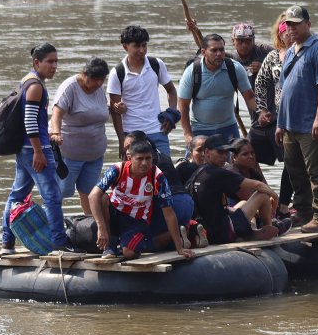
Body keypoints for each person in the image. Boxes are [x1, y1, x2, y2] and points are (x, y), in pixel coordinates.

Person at [1, 43, 75, 254]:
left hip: (24, 149)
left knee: (17, 195)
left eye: (56, 61)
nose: (54, 66)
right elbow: (30, 121)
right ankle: (59, 243)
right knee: (52, 197)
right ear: (37, 62)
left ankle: (7, 242)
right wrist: (39, 151)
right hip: (36, 148)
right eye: (50, 62)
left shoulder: (26, 81)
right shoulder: (35, 87)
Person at [276, 5, 318, 234]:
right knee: (295, 170)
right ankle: (303, 210)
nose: (291, 29)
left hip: (309, 122)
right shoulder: (291, 51)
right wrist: (280, 124)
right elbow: (284, 90)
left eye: (296, 24)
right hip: (290, 123)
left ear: (308, 25)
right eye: (289, 24)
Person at [89, 139, 193, 260]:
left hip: (136, 220)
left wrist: (179, 248)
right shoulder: (117, 170)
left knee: (129, 253)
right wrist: (101, 228)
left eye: (148, 158)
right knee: (102, 197)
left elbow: (169, 213)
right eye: (139, 159)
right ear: (129, 158)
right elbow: (93, 196)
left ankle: (132, 245)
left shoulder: (157, 176)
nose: (144, 163)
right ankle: (109, 247)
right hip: (115, 214)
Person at [188, 134, 284, 243]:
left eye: (226, 153)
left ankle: (252, 231)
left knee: (243, 203)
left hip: (207, 229)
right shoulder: (218, 173)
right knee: (262, 195)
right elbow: (258, 186)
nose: (224, 157)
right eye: (220, 152)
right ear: (207, 153)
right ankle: (269, 227)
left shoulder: (197, 172)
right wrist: (275, 197)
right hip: (223, 232)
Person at [49, 57, 110, 216]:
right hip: (69, 155)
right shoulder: (70, 87)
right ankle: (52, 228)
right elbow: (56, 114)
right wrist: (56, 133)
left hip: (95, 155)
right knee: (59, 192)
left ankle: (89, 226)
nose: (98, 83)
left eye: (102, 80)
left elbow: (98, 111)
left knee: (90, 193)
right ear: (84, 74)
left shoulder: (99, 89)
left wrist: (115, 107)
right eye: (95, 79)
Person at [109, 25, 178, 159]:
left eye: (144, 45)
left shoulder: (156, 64)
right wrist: (121, 139)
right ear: (125, 47)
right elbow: (114, 110)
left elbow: (171, 90)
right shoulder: (117, 72)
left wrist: (171, 113)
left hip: (158, 131)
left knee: (165, 173)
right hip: (131, 134)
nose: (141, 50)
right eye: (136, 46)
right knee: (133, 176)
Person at [178, 33, 257, 147]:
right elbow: (183, 106)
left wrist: (262, 112)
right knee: (195, 164)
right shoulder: (192, 72)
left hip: (228, 128)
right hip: (200, 130)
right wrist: (187, 134)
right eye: (214, 50)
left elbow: (250, 97)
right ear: (203, 52)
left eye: (221, 50)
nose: (219, 54)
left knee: (232, 164)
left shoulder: (235, 68)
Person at [123, 130, 199, 246]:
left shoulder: (143, 163)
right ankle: (191, 232)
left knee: (145, 240)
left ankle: (179, 233)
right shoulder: (162, 155)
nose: (127, 151)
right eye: (126, 147)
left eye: (130, 146)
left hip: (172, 206)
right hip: (187, 204)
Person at [253, 12, 295, 218]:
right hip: (281, 116)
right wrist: (261, 110)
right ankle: (284, 204)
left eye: (292, 28)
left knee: (302, 162)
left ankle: (302, 203)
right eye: (284, 29)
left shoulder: (307, 52)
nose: (289, 33)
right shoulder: (272, 56)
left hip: (302, 115)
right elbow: (260, 85)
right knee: (289, 161)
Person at [230, 22, 273, 88]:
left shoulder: (265, 51)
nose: (244, 45)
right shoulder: (232, 59)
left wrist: (264, 69)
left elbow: (285, 69)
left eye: (248, 40)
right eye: (240, 41)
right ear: (233, 41)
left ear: (254, 40)